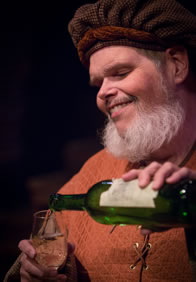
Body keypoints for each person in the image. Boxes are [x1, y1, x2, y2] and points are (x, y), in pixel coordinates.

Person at [4, 0, 196, 281]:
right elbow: (39, 258)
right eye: (98, 83)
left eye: (120, 73)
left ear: (176, 65)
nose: (103, 94)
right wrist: (43, 272)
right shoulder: (94, 171)